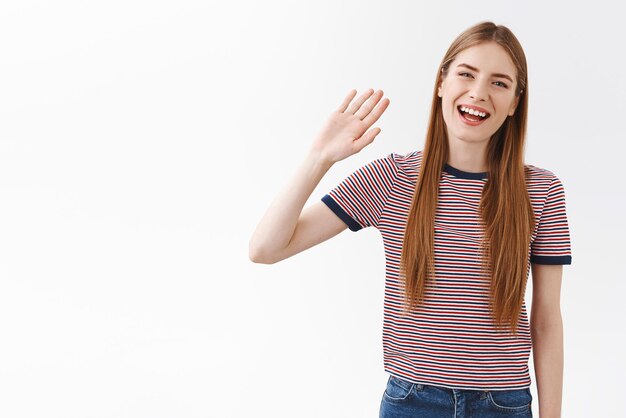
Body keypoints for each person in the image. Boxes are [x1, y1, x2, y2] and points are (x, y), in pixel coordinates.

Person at [249, 21, 571, 418]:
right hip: (412, 402)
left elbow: (546, 320)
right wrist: (320, 158)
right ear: (442, 83)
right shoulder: (393, 178)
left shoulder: (541, 190)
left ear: (515, 102)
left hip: (502, 404)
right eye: (466, 74)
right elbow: (265, 248)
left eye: (499, 83)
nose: (478, 92)